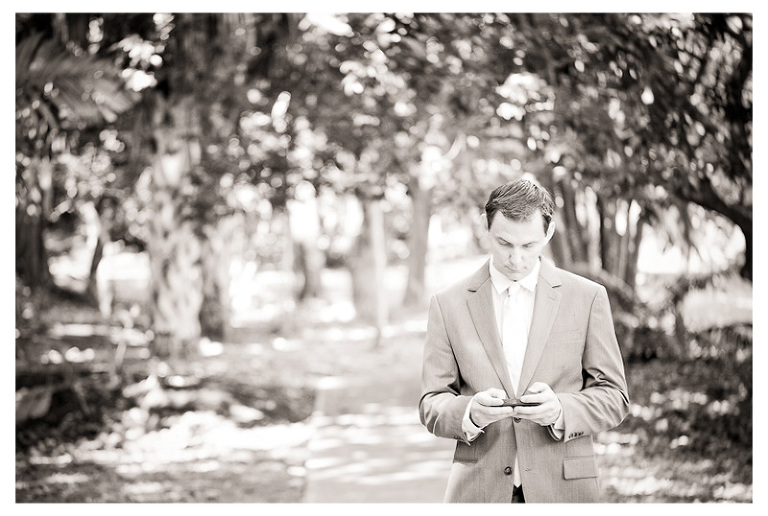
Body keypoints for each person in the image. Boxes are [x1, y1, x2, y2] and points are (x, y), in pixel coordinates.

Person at [419, 178, 629, 503]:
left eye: (528, 246)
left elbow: (615, 397)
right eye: (505, 243)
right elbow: (431, 402)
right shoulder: (448, 305)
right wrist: (469, 412)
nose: (516, 259)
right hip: (479, 492)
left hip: (564, 491)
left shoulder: (588, 298)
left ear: (548, 233)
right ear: (484, 228)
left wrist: (561, 409)